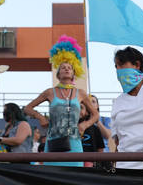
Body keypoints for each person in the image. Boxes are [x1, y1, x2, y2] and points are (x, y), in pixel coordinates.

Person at [25, 36, 97, 164]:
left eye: (69, 67)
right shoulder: (49, 92)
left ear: (74, 73)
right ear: (58, 74)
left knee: (74, 177)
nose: (66, 69)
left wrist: (84, 125)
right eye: (63, 67)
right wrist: (40, 117)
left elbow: (95, 114)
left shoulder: (80, 93)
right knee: (52, 176)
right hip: (53, 142)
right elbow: (28, 108)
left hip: (74, 142)